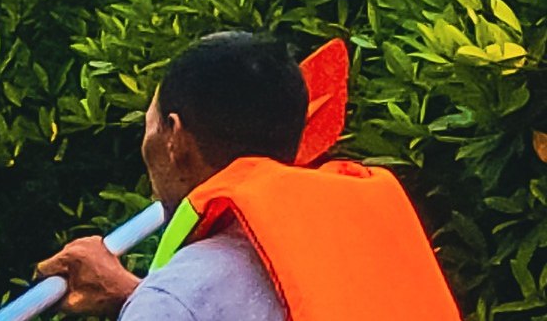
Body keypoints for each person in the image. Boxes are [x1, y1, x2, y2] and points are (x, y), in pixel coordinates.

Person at [33, 32, 460, 320]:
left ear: (175, 140)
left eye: (150, 125)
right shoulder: (358, 250)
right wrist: (134, 292)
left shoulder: (176, 302)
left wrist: (155, 301)